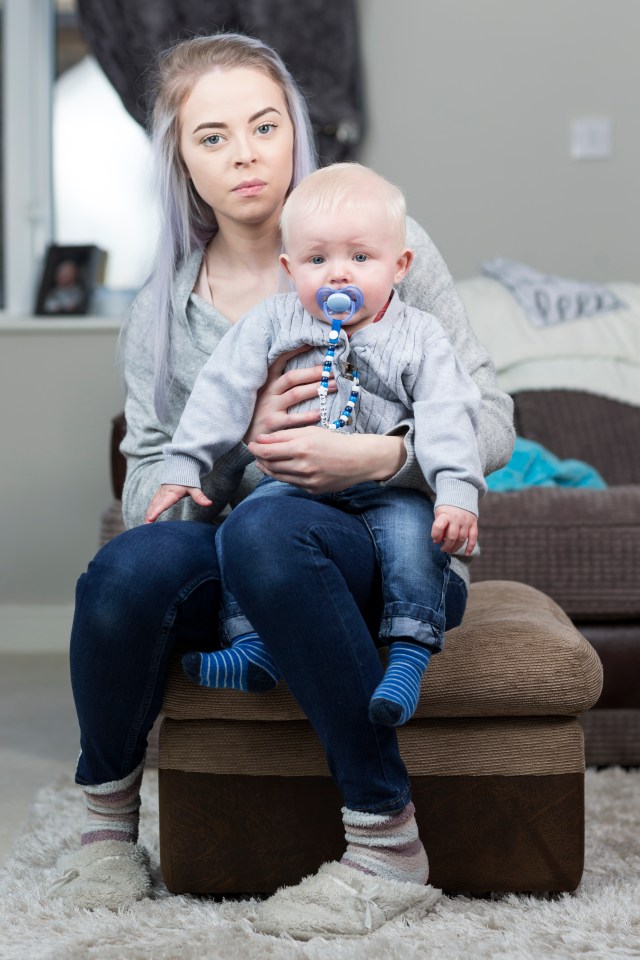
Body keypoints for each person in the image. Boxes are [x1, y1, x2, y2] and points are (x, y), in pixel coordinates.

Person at [45, 33, 514, 938]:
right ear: (180, 159)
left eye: (264, 126)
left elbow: (491, 413)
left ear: (295, 131)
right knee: (122, 570)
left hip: (374, 541)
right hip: (237, 527)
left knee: (270, 535)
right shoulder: (161, 311)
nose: (245, 153)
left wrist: (383, 459)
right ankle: (107, 833)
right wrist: (245, 443)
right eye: (212, 136)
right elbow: (149, 475)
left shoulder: (383, 244)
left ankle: (385, 844)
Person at [146, 162, 486, 729]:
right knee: (244, 527)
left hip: (386, 490)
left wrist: (456, 492)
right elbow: (221, 390)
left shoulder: (419, 335)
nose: (337, 276)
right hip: (296, 489)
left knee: (412, 536)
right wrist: (186, 463)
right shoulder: (274, 322)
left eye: (360, 257)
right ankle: (252, 646)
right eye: (316, 260)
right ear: (289, 267)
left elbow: (450, 416)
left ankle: (407, 655)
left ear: (400, 265)